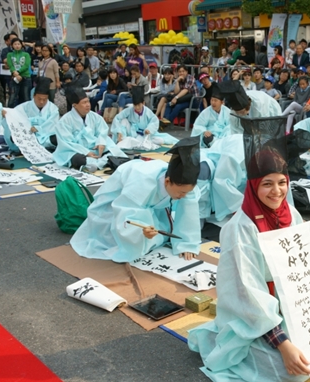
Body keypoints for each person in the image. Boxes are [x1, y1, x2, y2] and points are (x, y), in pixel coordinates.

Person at [188, 115, 310, 382]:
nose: (276, 192)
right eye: (266, 184)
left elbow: (303, 265)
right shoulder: (240, 228)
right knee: (291, 369)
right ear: (253, 186)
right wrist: (283, 344)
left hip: (287, 304)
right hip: (252, 313)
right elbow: (249, 293)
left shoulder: (291, 213)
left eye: (281, 182)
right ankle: (226, 341)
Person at [71, 137, 202, 263]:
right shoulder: (142, 180)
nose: (183, 196)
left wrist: (187, 243)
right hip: (115, 205)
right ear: (167, 181)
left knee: (160, 231)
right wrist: (142, 232)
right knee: (132, 243)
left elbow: (189, 210)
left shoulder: (184, 185)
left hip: (147, 207)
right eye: (182, 192)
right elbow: (128, 214)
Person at [53, 86, 127, 171]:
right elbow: (67, 142)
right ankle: (102, 162)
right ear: (75, 105)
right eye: (84, 103)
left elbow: (102, 132)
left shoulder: (95, 116)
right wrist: (86, 152)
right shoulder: (65, 121)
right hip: (78, 150)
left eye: (88, 101)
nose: (88, 105)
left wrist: (101, 143)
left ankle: (95, 163)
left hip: (94, 148)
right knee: (77, 159)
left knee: (113, 148)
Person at [3, 78, 60, 151]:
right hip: (27, 136)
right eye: (39, 99)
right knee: (13, 137)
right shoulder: (24, 107)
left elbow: (52, 125)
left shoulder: (53, 109)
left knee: (58, 138)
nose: (42, 102)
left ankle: (37, 144)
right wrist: (7, 114)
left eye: (44, 99)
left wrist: (39, 129)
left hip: (45, 137)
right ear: (34, 96)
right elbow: (14, 118)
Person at [110, 86, 178, 148]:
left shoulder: (147, 111)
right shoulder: (129, 110)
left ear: (143, 103)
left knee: (160, 140)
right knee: (123, 120)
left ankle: (136, 141)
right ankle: (122, 139)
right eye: (135, 105)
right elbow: (117, 118)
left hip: (144, 134)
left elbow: (154, 121)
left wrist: (149, 129)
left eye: (139, 105)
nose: (137, 107)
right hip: (131, 133)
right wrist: (119, 132)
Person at [6, 38, 32, 107]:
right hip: (14, 77)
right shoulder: (9, 54)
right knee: (12, 97)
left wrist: (18, 72)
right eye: (15, 44)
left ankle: (27, 113)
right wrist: (15, 73)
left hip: (26, 77)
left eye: (18, 44)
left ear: (21, 45)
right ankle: (10, 113)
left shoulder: (26, 54)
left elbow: (26, 65)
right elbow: (10, 65)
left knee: (26, 97)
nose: (17, 46)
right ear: (12, 45)